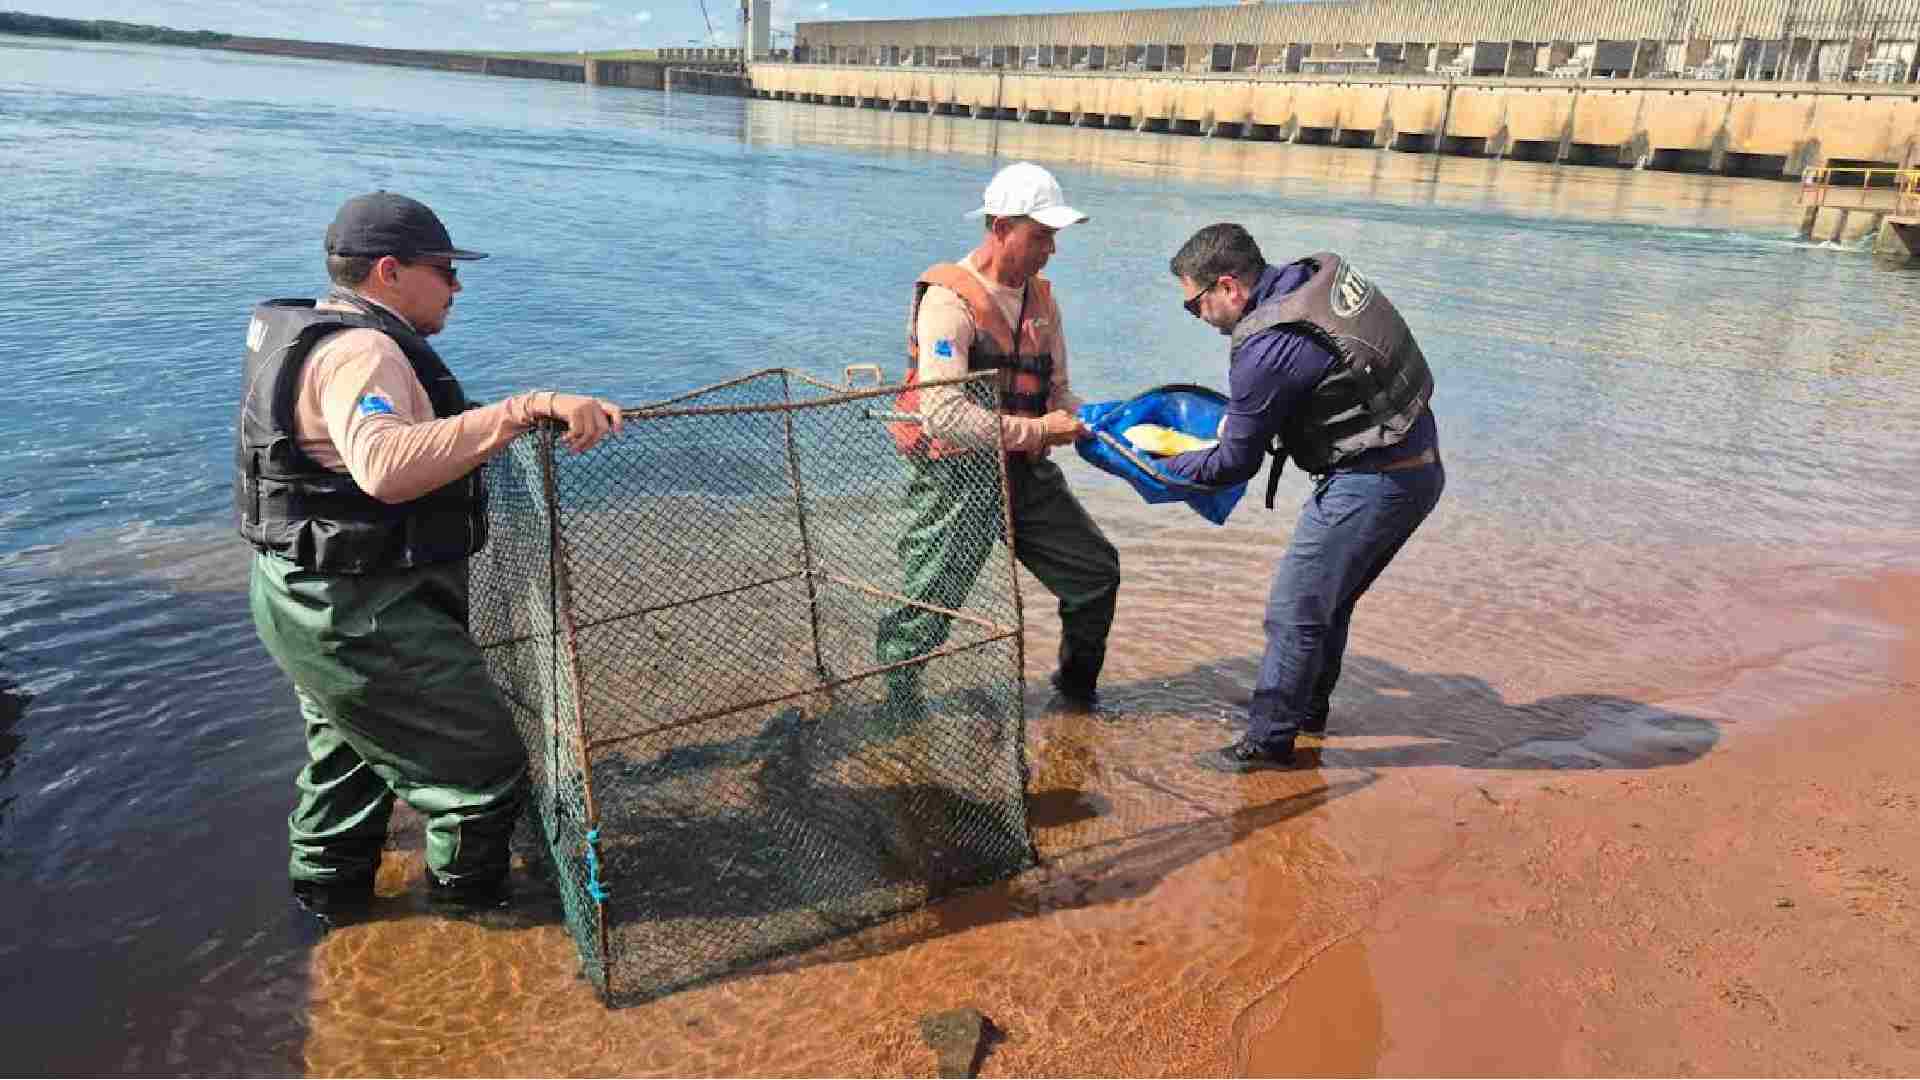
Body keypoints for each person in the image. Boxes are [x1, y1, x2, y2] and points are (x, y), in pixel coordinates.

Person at [237, 191, 623, 923]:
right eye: (443, 269)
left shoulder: (319, 336)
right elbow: (382, 465)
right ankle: (474, 916)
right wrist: (522, 408)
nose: (457, 285)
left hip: (302, 594)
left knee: (351, 757)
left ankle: (326, 907)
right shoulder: (362, 351)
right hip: (357, 608)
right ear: (389, 271)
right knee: (482, 769)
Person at [1160, 224, 1444, 772]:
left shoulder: (1264, 347)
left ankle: (1267, 745)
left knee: (1293, 611)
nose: (1197, 318)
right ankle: (1305, 711)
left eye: (1195, 306)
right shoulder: (1307, 279)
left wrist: (1164, 465)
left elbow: (1233, 463)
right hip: (1417, 465)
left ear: (1229, 288)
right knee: (1325, 602)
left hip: (1374, 481)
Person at [875, 162, 1121, 718]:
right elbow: (943, 416)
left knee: (1096, 573)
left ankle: (1076, 697)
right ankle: (898, 715)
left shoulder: (1043, 300)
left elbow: (1058, 392)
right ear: (1000, 226)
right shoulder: (948, 301)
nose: (1050, 250)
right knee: (927, 609)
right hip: (954, 480)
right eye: (1040, 236)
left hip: (1025, 476)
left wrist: (1100, 422)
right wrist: (1039, 430)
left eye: (1053, 237)